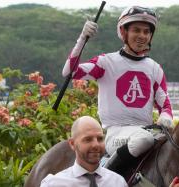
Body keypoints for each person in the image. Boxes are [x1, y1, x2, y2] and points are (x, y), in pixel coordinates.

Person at [62, 6, 173, 172]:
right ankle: (104, 178)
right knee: (144, 140)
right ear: (123, 32)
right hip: (116, 134)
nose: (142, 36)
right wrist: (82, 38)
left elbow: (165, 105)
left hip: (146, 130)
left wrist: (166, 116)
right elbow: (70, 71)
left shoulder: (155, 68)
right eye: (136, 30)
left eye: (146, 31)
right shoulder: (106, 62)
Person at [40, 116, 128, 187]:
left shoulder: (118, 182)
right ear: (72, 143)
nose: (96, 145)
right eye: (88, 139)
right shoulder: (53, 184)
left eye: (100, 139)